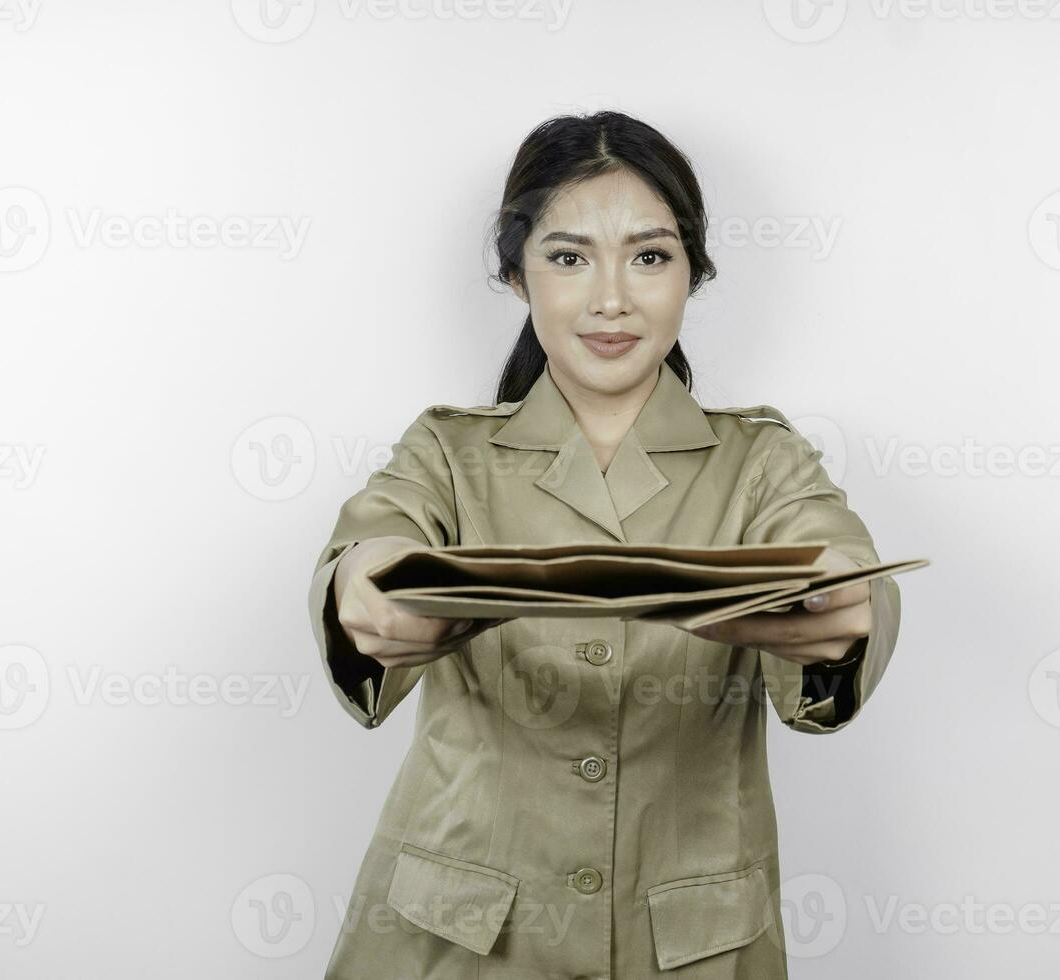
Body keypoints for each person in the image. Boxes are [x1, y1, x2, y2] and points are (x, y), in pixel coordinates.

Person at [307, 110, 904, 979]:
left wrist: (848, 604)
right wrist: (360, 583)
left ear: (691, 274)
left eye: (650, 256)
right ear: (517, 275)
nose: (612, 298)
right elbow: (379, 533)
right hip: (456, 942)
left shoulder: (761, 458)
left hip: (692, 949)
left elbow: (835, 552)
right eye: (568, 257)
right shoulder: (446, 451)